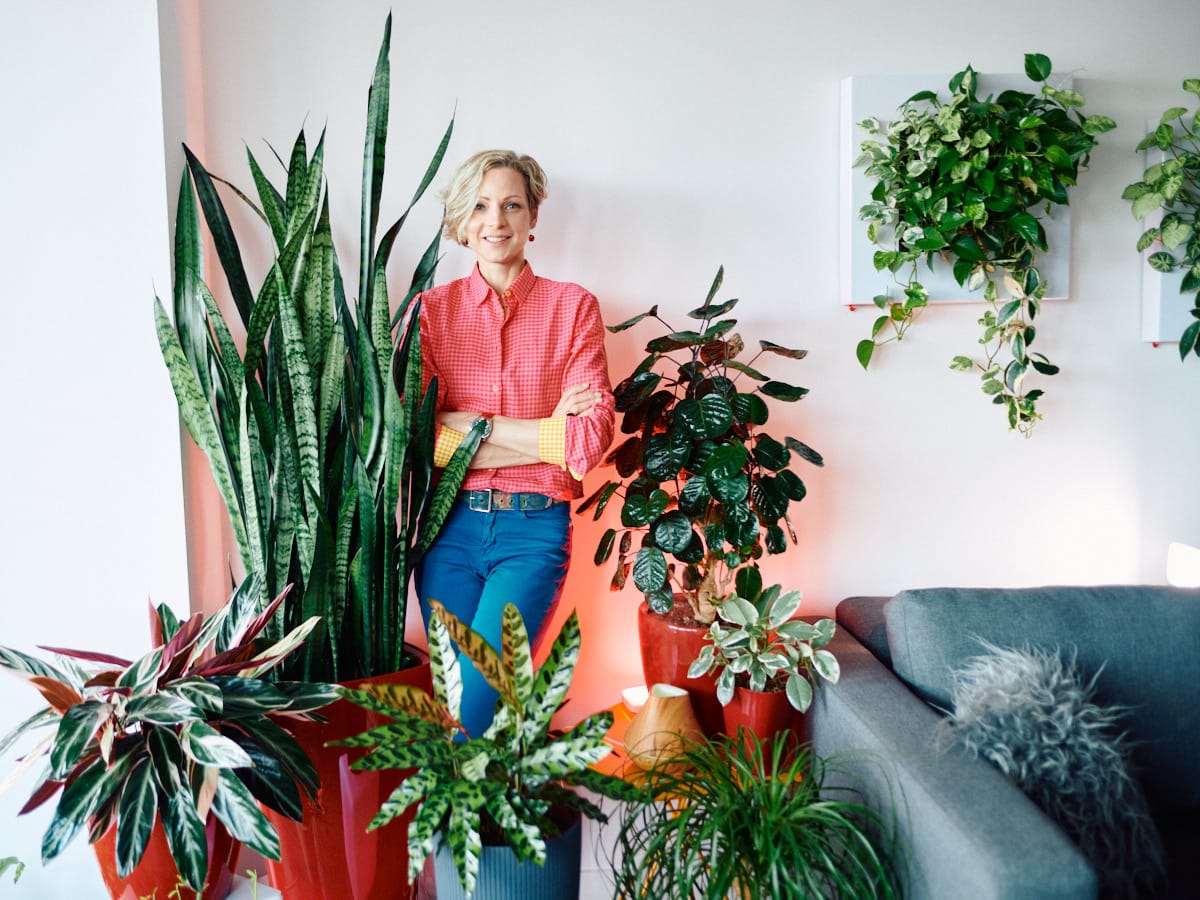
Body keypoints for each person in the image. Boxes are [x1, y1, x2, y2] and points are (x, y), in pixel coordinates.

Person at [415, 149, 614, 737]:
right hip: (447, 531)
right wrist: (547, 429)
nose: (495, 221)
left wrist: (474, 425)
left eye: (511, 205)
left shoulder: (573, 307)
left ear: (533, 217)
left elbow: (588, 439)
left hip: (532, 533)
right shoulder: (431, 313)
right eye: (479, 206)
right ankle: (493, 801)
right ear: (461, 220)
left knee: (475, 712)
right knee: (461, 712)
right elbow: (420, 440)